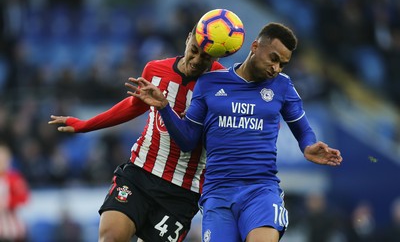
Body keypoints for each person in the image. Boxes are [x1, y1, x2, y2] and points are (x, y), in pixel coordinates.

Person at [126, 22, 343, 242]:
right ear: (255, 46)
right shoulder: (209, 83)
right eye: (274, 59)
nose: (276, 68)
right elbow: (188, 140)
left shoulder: (282, 86)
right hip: (217, 193)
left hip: (261, 190)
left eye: (282, 64)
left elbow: (302, 128)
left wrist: (308, 145)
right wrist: (164, 107)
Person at [48, 24, 225, 241]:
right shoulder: (155, 69)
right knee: (111, 237)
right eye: (194, 50)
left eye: (206, 58)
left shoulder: (221, 84)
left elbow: (188, 141)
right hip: (140, 172)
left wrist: (164, 107)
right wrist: (86, 125)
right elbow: (134, 105)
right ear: (188, 39)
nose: (196, 61)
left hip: (182, 191)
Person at [0, 142, 30, 241]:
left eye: (4, 159)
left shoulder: (14, 178)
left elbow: (24, 198)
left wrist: (7, 202)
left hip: (13, 230)